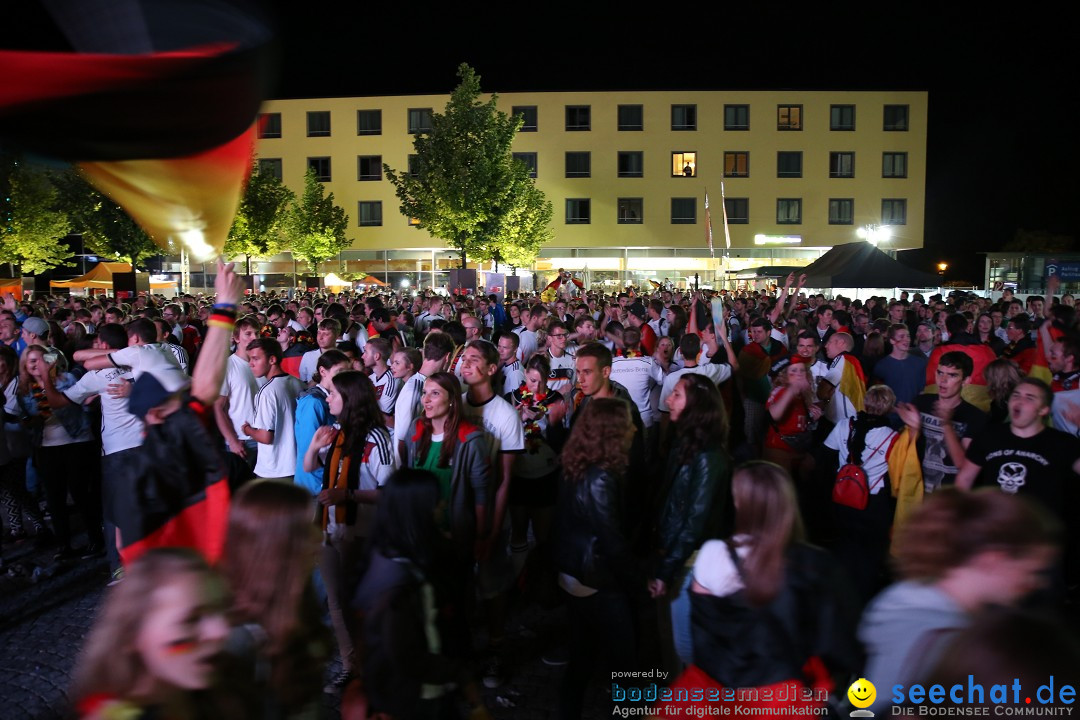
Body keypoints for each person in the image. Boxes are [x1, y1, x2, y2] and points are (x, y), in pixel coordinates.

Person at [655, 462, 857, 716]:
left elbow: (698, 635)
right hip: (785, 699)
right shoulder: (817, 565)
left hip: (722, 696)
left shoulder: (713, 555)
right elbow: (836, 643)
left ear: (741, 504)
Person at [859, 489, 1059, 715]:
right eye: (1034, 572)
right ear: (993, 560)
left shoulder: (908, 598)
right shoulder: (944, 639)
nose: (1039, 583)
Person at [351, 468, 491, 720]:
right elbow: (408, 657)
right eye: (436, 500)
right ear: (417, 512)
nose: (443, 504)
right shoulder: (396, 582)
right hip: (414, 700)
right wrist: (461, 677)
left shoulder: (384, 553)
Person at [554, 398, 642, 720]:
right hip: (597, 583)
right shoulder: (601, 477)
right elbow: (613, 543)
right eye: (628, 423)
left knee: (581, 659)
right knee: (630, 667)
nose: (634, 428)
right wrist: (639, 586)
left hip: (573, 577)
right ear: (611, 432)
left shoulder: (575, 463)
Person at [71, 548, 232, 720]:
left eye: (219, 609)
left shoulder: (222, 686)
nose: (221, 631)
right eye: (191, 619)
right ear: (131, 636)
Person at [219, 480, 329, 717]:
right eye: (305, 530)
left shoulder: (300, 600)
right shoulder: (238, 642)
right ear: (274, 545)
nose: (318, 538)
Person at [649, 374, 732, 675]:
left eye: (677, 395)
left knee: (683, 644)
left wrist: (666, 570)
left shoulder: (709, 457)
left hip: (688, 565)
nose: (668, 399)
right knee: (667, 638)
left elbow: (694, 522)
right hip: (671, 555)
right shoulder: (683, 442)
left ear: (697, 406)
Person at [18, 343, 100, 560]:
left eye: (41, 360)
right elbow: (36, 415)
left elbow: (75, 407)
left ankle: (96, 539)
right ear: (25, 365)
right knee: (55, 498)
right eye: (31, 361)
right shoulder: (25, 390)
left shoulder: (66, 380)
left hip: (77, 441)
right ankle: (64, 546)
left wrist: (48, 379)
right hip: (47, 446)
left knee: (81, 493)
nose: (37, 365)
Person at [824, 385, 904, 602]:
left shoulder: (843, 425)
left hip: (842, 499)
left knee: (844, 548)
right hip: (873, 504)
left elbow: (826, 455)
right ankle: (862, 599)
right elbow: (897, 472)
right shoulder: (892, 438)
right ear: (889, 408)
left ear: (866, 402)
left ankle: (838, 595)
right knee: (869, 556)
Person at [401, 371, 489, 564]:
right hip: (417, 530)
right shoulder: (416, 428)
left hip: (451, 533)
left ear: (452, 400)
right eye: (425, 393)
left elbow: (481, 494)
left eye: (435, 393)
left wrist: (481, 537)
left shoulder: (470, 439)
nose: (426, 400)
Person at [243, 338, 305, 481]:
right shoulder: (298, 383)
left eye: (256, 359)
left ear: (272, 360)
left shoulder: (266, 392)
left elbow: (266, 437)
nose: (251, 364)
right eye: (250, 359)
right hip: (296, 465)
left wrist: (248, 430)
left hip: (273, 469)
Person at [292, 349, 351, 495]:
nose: (344, 378)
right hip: (314, 484)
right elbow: (309, 449)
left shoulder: (334, 399)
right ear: (323, 372)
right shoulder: (313, 403)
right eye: (339, 372)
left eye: (347, 372)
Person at [763, 359, 821, 480]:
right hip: (779, 450)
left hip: (798, 450)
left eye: (802, 371)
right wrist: (792, 390)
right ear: (784, 376)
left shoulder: (803, 395)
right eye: (793, 371)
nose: (799, 374)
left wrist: (811, 417)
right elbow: (773, 415)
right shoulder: (781, 391)